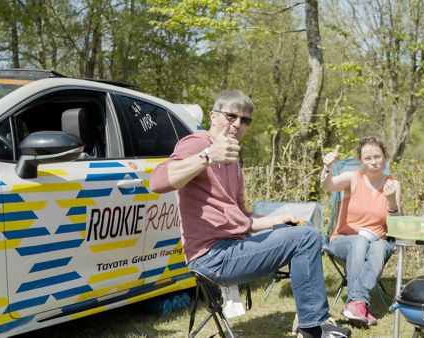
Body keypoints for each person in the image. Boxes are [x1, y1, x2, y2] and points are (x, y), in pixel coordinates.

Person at [149, 90, 350, 338]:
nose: (237, 124)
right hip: (212, 256)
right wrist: (208, 157)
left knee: (302, 231)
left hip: (235, 246)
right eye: (231, 116)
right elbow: (157, 182)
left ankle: (310, 321)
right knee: (305, 238)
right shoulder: (199, 143)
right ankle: (313, 328)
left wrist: (278, 220)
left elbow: (243, 219)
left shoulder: (233, 161)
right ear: (213, 115)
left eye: (245, 120)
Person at [321, 137, 401, 326]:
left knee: (381, 246)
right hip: (345, 240)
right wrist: (328, 168)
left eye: (377, 157)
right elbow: (328, 186)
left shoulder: (393, 184)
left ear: (385, 157)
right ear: (361, 162)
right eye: (368, 158)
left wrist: (391, 201)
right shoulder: (353, 178)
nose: (374, 162)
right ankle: (358, 303)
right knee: (359, 241)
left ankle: (356, 303)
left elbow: (396, 226)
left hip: (377, 240)